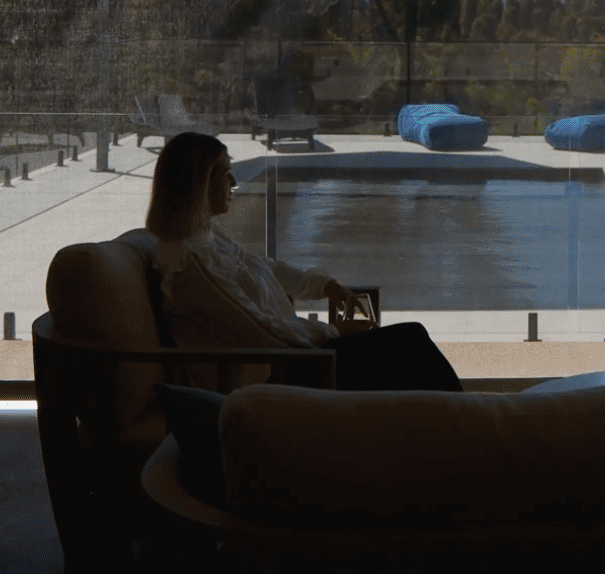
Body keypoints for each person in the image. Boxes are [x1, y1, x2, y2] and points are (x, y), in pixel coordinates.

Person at [145, 132, 462, 392]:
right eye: (225, 174)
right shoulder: (189, 267)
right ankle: (464, 430)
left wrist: (325, 286)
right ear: (199, 183)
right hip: (279, 378)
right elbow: (260, 331)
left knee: (410, 344)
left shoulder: (206, 239)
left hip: (295, 360)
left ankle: (450, 428)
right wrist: (334, 331)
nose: (235, 182)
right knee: (411, 346)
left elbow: (266, 268)